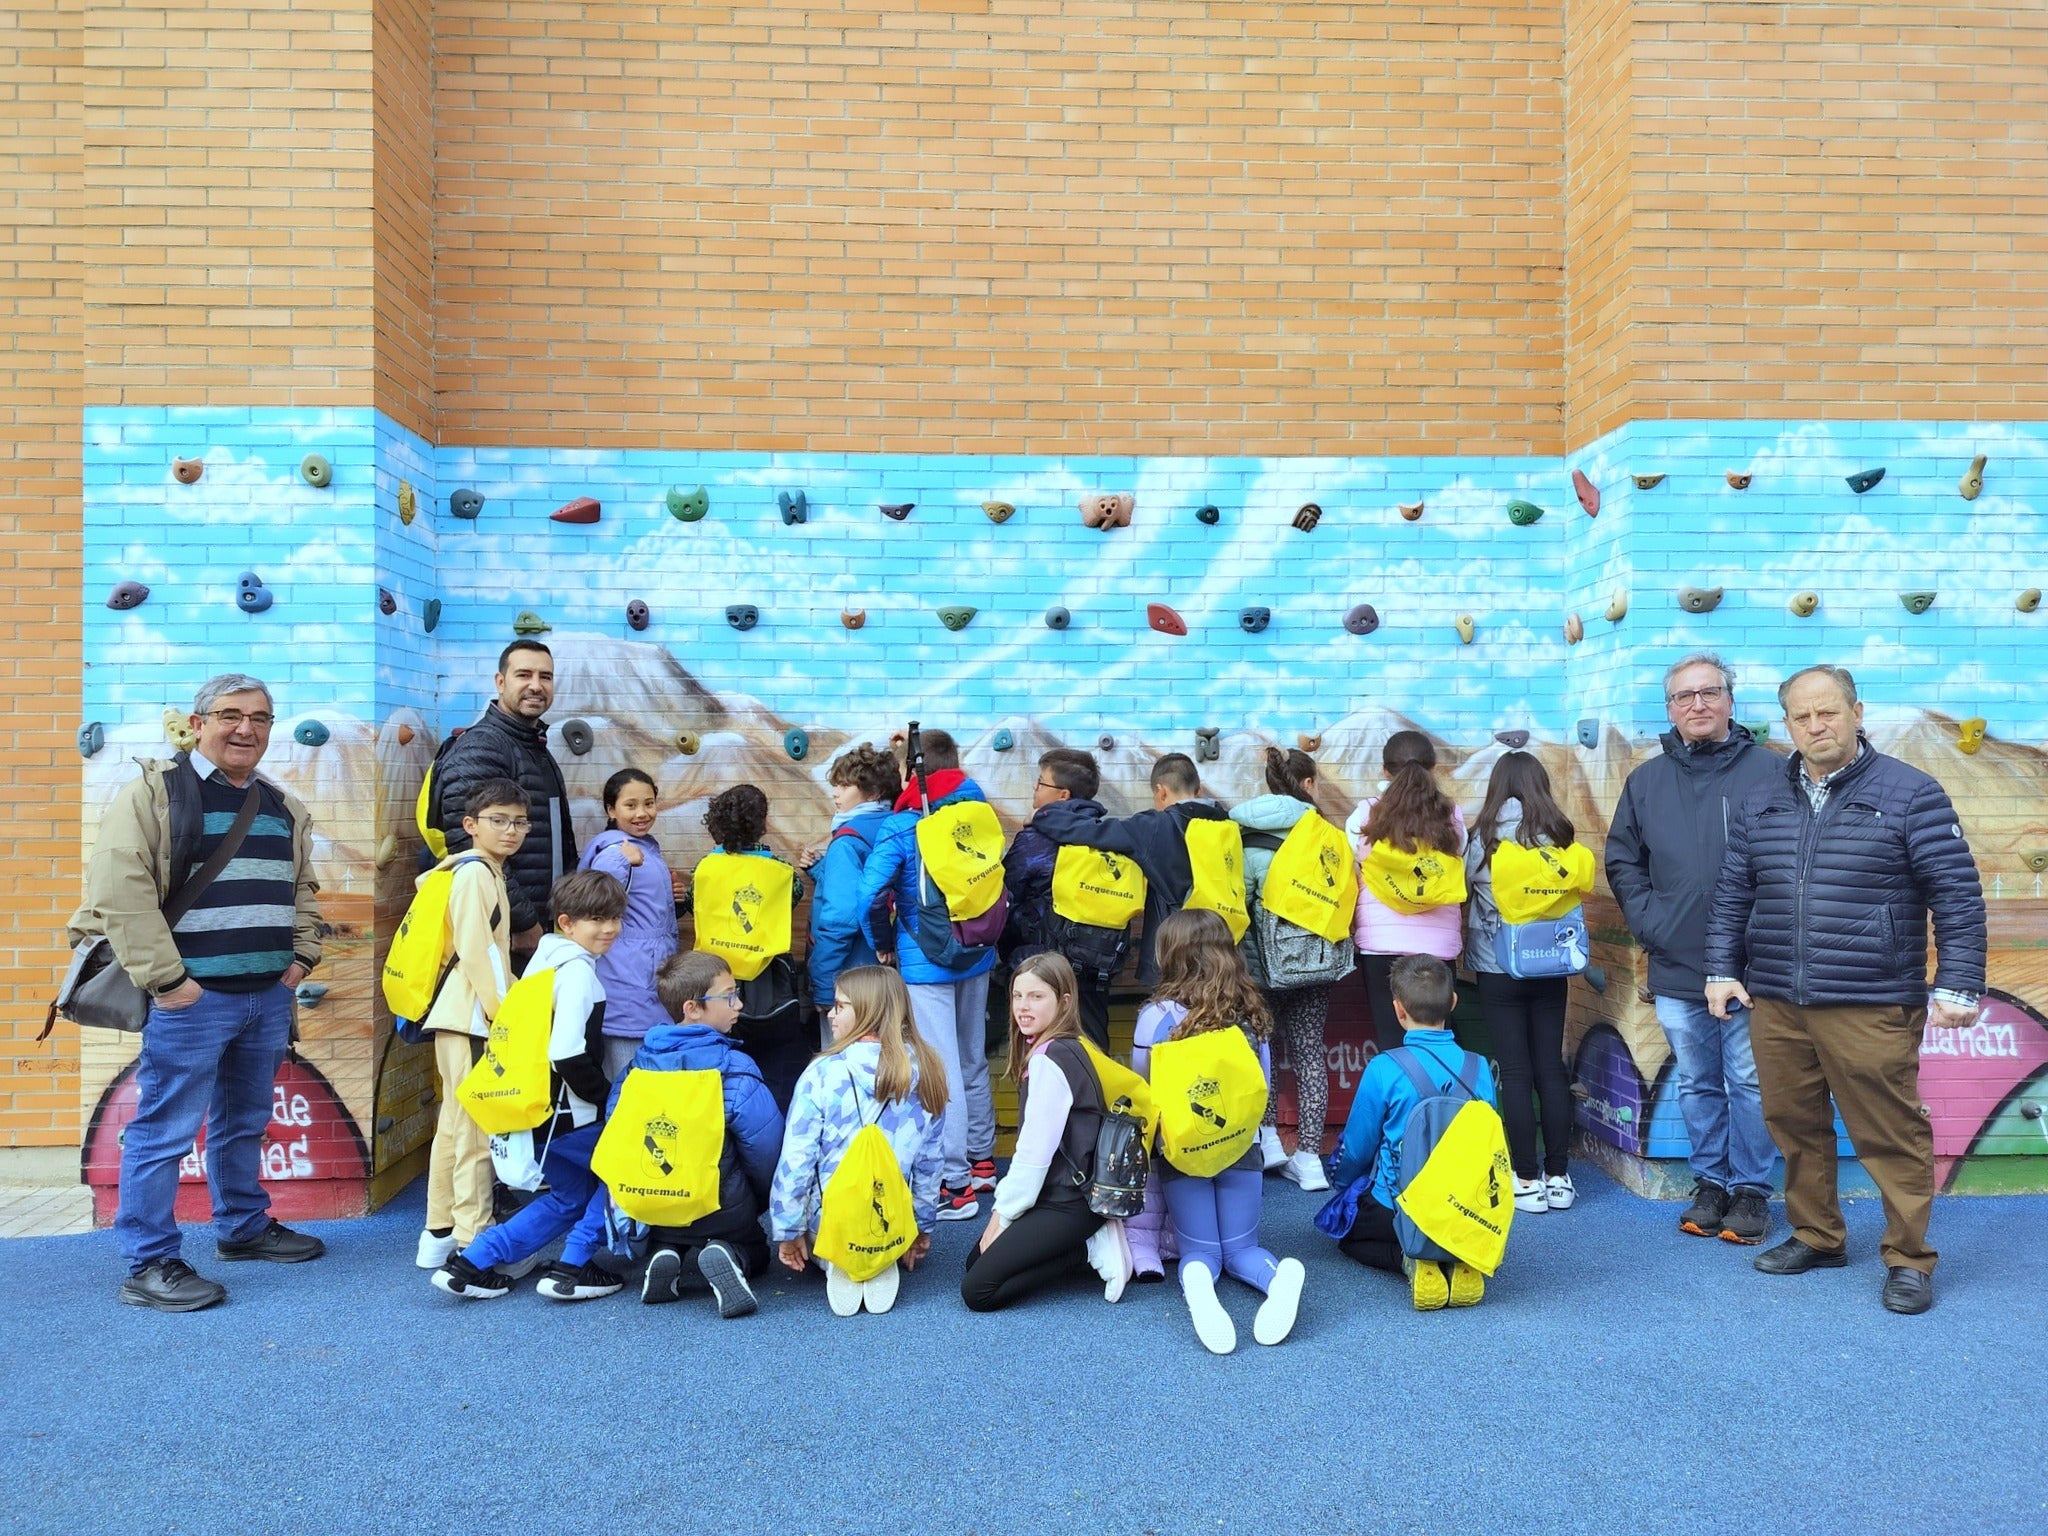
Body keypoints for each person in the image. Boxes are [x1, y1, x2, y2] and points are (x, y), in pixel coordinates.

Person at [1706, 665, 1986, 1315]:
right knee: (1796, 1128)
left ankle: (1909, 1259)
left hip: (1871, 1000)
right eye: (1801, 717)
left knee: (1890, 1133)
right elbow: (1733, 894)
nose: (1816, 725)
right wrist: (1722, 969)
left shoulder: (1911, 793)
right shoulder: (1763, 798)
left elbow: (1957, 897)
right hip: (1777, 1000)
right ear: (1787, 725)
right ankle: (1818, 1235)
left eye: (1828, 712)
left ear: (1858, 711)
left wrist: (1961, 984)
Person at [72, 674, 326, 1312]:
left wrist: (299, 960)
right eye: (231, 716)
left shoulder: (280, 805)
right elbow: (119, 893)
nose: (247, 729)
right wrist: (171, 983)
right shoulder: (155, 795)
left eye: (261, 718)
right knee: (163, 1131)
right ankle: (150, 1261)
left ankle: (242, 1228)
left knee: (244, 1123)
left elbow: (301, 891)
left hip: (266, 996)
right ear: (199, 721)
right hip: (193, 1000)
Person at [1606, 653, 1782, 1244]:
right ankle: (1710, 1183)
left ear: (1731, 701)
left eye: (1709, 693)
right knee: (1699, 1081)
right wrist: (1650, 920)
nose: (1698, 704)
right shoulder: (1646, 781)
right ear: (1671, 709)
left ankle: (1752, 1191)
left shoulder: (1773, 772)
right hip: (1677, 961)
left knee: (1750, 1081)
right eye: (1685, 697)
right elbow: (1623, 859)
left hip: (1753, 966)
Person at [431, 870, 625, 1301]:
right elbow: (568, 1053)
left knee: (568, 1197)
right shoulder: (577, 973)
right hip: (570, 1113)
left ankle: (470, 1264)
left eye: (615, 917)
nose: (609, 928)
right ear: (566, 922)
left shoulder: (542, 961)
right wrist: (610, 1098)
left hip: (533, 1113)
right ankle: (573, 1267)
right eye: (596, 919)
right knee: (623, 1174)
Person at [1133, 910, 1303, 1354]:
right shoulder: (1250, 1011)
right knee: (1243, 1249)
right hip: (1241, 1147)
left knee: (1204, 1253)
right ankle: (1278, 1277)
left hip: (1183, 1151)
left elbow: (1144, 1087)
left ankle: (1197, 1282)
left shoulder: (1156, 1016)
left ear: (1169, 956)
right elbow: (1261, 1087)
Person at [857, 729, 1000, 1221]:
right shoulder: (980, 814)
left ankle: (954, 1183)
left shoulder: (904, 827)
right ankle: (983, 1162)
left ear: (910, 773)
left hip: (925, 961)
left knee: (941, 1068)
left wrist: (880, 942)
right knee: (971, 1058)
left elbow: (870, 897)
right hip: (978, 951)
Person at [613, 950, 787, 1318]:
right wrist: (759, 1201)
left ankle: (666, 1252)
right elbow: (765, 1148)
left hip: (655, 1200)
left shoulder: (637, 1065)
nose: (738, 1003)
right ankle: (731, 1254)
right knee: (756, 1250)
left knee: (673, 1226)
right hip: (721, 1205)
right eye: (728, 996)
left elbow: (617, 1129)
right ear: (692, 1008)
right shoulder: (733, 1067)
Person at [769, 965, 947, 1316]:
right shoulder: (927, 1071)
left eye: (840, 1006)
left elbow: (797, 1159)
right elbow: (931, 1162)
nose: (830, 1015)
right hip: (893, 1218)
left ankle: (835, 1256)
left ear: (868, 1011)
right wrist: (920, 1227)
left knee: (818, 1196)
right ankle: (883, 1253)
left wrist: (788, 1231)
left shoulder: (823, 1073)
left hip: (830, 1220)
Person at [1326, 955, 1499, 1310]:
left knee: (1345, 1236)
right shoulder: (1479, 1066)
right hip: (1466, 1207)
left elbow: (1358, 1149)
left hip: (1398, 1209)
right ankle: (1461, 1255)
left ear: (1397, 1010)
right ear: (1453, 1002)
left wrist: (1341, 1183)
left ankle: (1411, 1259)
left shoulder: (1384, 1068)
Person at [961, 953, 1119, 1312]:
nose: (1023, 1007)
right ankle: (1076, 1248)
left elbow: (1033, 1156)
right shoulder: (1068, 1045)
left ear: (1064, 1002)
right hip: (1062, 1193)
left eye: (1036, 996)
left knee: (978, 1291)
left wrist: (1001, 1216)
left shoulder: (1049, 1060)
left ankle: (1085, 1250)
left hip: (1072, 1202)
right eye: (1018, 996)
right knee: (975, 1262)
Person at [414, 777, 526, 1272]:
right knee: (477, 1132)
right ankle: (473, 1241)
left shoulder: (479, 870)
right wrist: (503, 1013)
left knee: (454, 1126)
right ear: (470, 825)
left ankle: (439, 1232)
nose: (511, 830)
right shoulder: (477, 874)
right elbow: (478, 949)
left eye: (519, 821)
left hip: (458, 1012)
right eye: (498, 820)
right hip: (474, 1014)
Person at [1465, 750, 1582, 1214]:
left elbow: (1463, 887)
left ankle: (1526, 1178)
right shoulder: (1560, 833)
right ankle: (1560, 1176)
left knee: (1515, 1072)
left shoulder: (1485, 836)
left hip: (1498, 964)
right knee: (1549, 1067)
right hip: (1550, 962)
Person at [426, 640, 576, 964]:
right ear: (500, 682)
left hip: (537, 929)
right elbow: (469, 844)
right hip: (508, 933)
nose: (536, 686)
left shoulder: (532, 746)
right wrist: (524, 923)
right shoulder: (484, 748)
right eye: (524, 674)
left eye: (545, 677)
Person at [1037, 752, 1232, 993]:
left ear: (1161, 791)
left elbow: (1088, 831)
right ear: (1199, 790)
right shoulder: (1227, 825)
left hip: (1175, 952)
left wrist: (1040, 816)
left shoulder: (1156, 827)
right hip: (1223, 948)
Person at [1233, 747, 1337, 1192]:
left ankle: (1271, 1139)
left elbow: (1238, 907)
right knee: (1311, 1051)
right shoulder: (1325, 835)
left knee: (1263, 1048)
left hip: (1262, 967)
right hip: (1316, 962)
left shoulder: (1244, 838)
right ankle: (1311, 1159)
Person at [688, 784, 809, 1113]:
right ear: (764, 823)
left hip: (718, 985)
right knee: (776, 1069)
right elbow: (791, 900)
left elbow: (692, 902)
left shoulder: (704, 869)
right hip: (770, 985)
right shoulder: (783, 872)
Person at [1347, 729, 1467, 1053]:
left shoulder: (1365, 815)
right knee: (1437, 1045)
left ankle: (1402, 1105)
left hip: (1382, 948)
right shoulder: (1451, 816)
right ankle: (1438, 1103)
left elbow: (1357, 868)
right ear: (1433, 767)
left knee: (1392, 1046)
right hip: (1438, 949)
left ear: (1386, 770)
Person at [1001, 747, 1118, 1050]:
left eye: (1040, 783)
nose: (1034, 789)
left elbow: (1007, 893)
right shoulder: (1106, 833)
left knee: (1043, 1048)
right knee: (1092, 1045)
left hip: (1042, 963)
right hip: (1096, 960)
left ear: (1063, 795)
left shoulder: (1036, 840)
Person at [578, 769, 679, 1083]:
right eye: (630, 805)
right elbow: (594, 906)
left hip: (643, 975)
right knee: (629, 1084)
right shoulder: (616, 850)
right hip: (629, 980)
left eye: (649, 803)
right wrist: (625, 861)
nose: (642, 813)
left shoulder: (643, 846)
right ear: (611, 810)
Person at [801, 743, 901, 1032]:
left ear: (874, 791)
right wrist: (822, 869)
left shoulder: (846, 842)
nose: (836, 793)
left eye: (845, 785)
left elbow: (840, 919)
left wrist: (822, 985)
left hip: (850, 977)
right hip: (888, 974)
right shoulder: (897, 826)